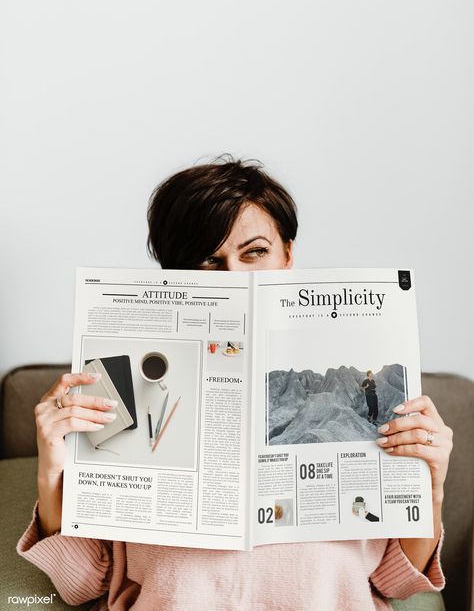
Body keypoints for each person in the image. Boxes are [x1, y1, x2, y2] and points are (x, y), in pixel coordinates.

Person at [17, 155, 452, 610]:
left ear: (288, 255)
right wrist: (52, 471)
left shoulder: (352, 393)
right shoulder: (119, 391)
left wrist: (431, 485)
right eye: (209, 260)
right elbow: (83, 584)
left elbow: (397, 581)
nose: (234, 278)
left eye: (255, 252)